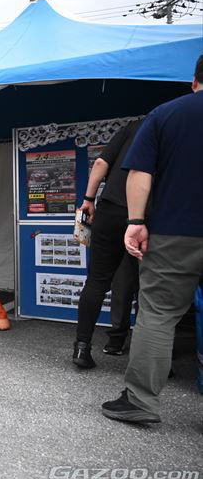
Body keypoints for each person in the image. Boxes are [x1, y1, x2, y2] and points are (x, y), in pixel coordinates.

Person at [101, 55, 203, 424]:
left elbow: (139, 173)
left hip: (175, 232)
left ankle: (141, 402)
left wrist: (136, 221)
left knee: (158, 315)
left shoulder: (165, 115)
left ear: (195, 81)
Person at [72, 119, 142, 368]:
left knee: (98, 280)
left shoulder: (133, 126)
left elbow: (101, 162)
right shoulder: (170, 126)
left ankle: (82, 347)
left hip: (110, 208)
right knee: (147, 285)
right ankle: (152, 360)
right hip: (146, 214)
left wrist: (88, 199)